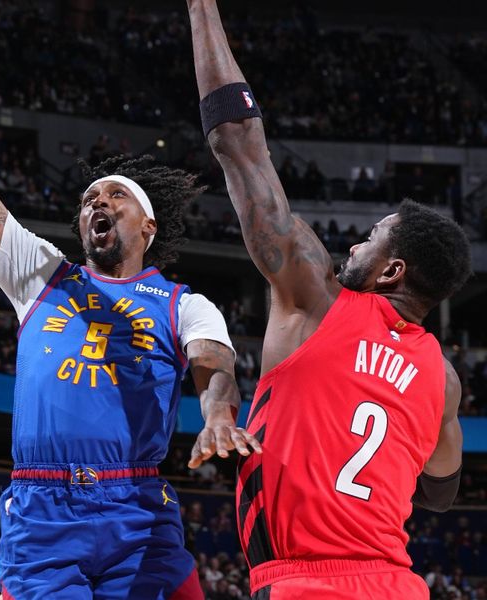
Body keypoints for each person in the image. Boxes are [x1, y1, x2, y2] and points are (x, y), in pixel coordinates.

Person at [0, 1, 260, 597]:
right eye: (90, 197)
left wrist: (218, 413)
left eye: (115, 195)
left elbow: (215, 366)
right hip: (43, 515)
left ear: (147, 228)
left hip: (137, 508)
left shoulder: (181, 303)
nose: (97, 202)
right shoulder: (39, 273)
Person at [186, 1, 472, 598]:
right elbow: (441, 492)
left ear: (392, 271)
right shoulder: (443, 380)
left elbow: (237, 144)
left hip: (304, 583)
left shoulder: (317, 300)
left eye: (371, 239)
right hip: (396, 584)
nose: (356, 246)